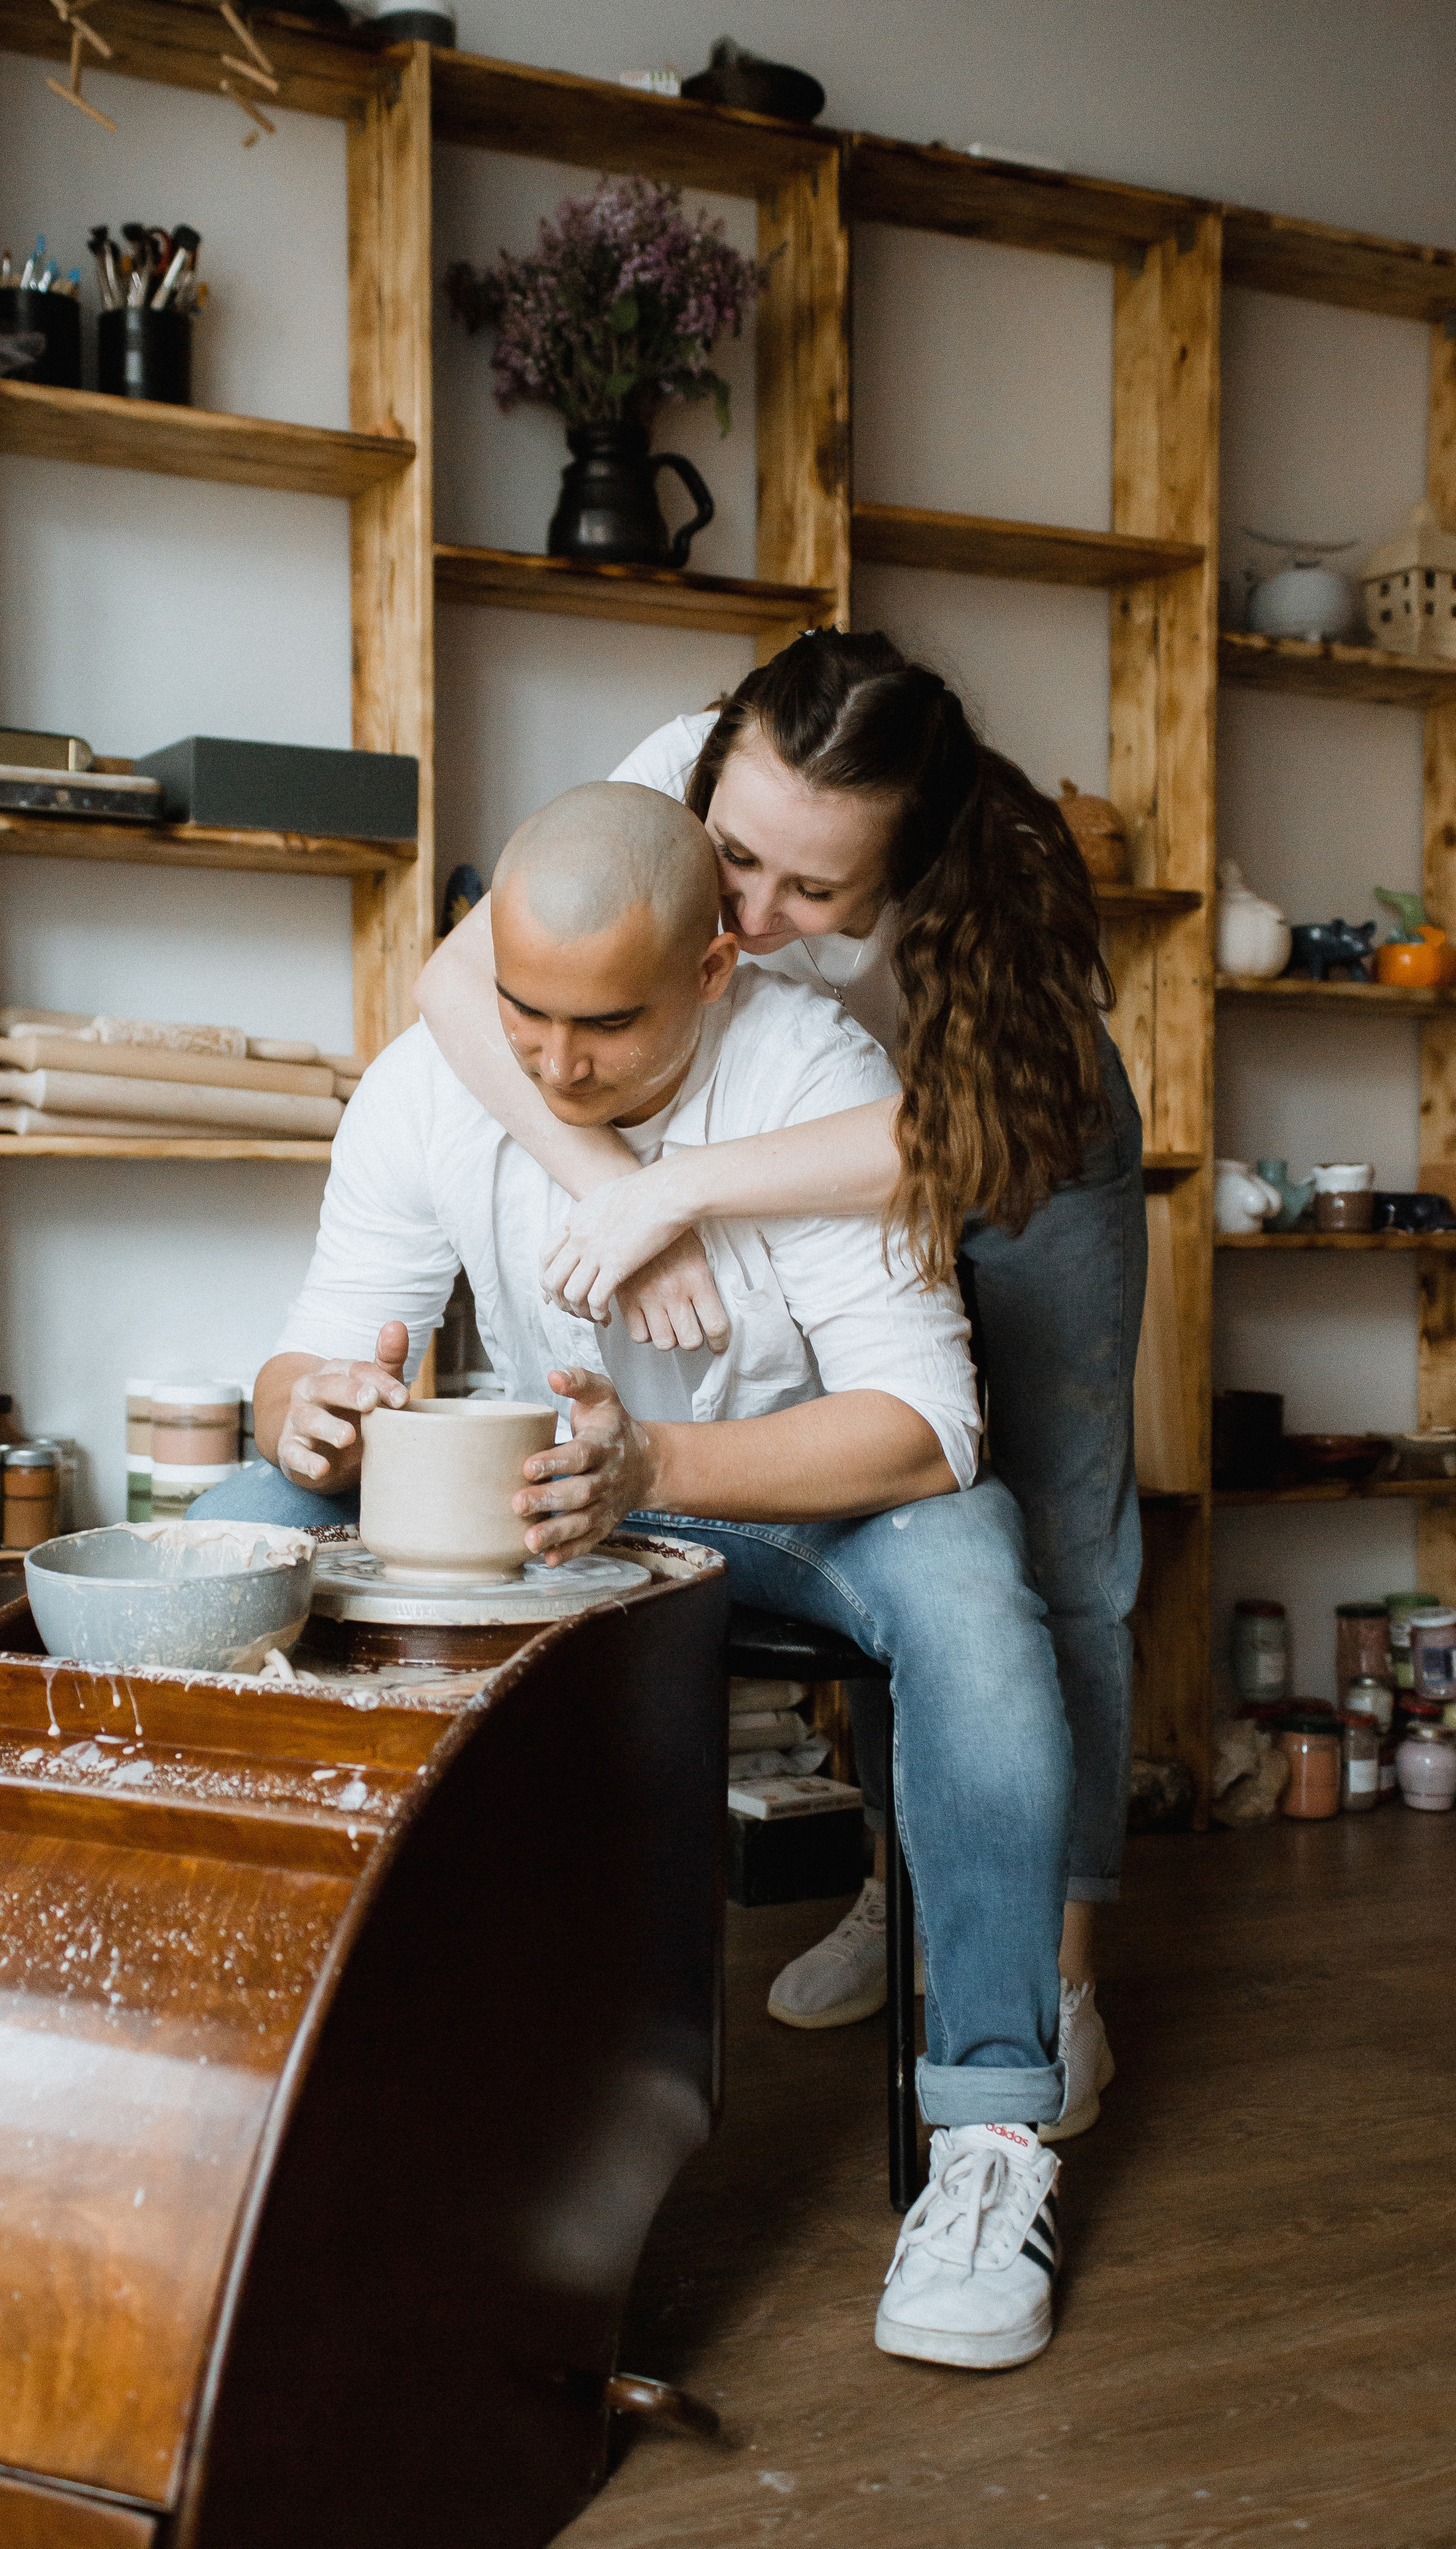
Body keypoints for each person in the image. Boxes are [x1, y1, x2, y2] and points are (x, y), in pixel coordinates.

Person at [198, 780, 1075, 2371]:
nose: (549, 1064)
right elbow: (314, 1347)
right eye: (522, 1011)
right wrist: (309, 1410)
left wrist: (658, 1469)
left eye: (601, 1026)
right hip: (562, 1511)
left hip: (792, 1509)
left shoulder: (815, 1072)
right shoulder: (435, 1081)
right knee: (232, 1517)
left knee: (975, 1587)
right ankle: (236, 2085)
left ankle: (993, 2139)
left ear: (713, 974)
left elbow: (927, 1427)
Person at [414, 629, 1144, 2143]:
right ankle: (903, 1885)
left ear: (910, 867)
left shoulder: (988, 890)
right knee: (893, 1543)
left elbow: (944, 1146)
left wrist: (680, 1185)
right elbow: (453, 982)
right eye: (734, 858)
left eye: (811, 894)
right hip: (783, 1150)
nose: (746, 916)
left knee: (1044, 1549)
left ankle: (1051, 1975)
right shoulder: (681, 767)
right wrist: (599, 1169)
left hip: (1011, 1153)